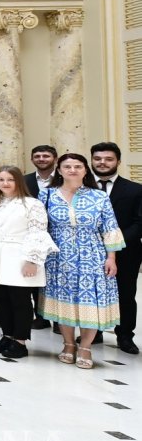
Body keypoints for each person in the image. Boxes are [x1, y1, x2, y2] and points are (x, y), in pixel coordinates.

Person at [41, 153, 123, 369]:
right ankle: (68, 343)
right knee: (63, 302)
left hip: (93, 257)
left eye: (78, 166)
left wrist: (111, 258)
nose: (73, 170)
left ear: (86, 170)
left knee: (91, 302)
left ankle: (85, 346)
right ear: (59, 170)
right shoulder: (46, 195)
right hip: (58, 258)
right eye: (67, 166)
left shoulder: (99, 197)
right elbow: (39, 228)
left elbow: (110, 228)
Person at [0, 166, 53, 359]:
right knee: (2, 300)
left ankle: (20, 341)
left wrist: (32, 260)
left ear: (18, 182)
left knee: (20, 301)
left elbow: (38, 233)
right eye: (1, 180)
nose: (5, 183)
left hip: (20, 256)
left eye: (10, 180)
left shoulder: (31, 204)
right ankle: (7, 335)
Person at [90, 141, 142, 354]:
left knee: (125, 294)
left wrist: (113, 243)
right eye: (98, 159)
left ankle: (125, 335)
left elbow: (140, 223)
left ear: (118, 161)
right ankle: (94, 332)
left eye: (108, 159)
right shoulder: (82, 190)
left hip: (126, 252)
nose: (102, 163)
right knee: (92, 292)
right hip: (89, 252)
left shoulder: (136, 190)